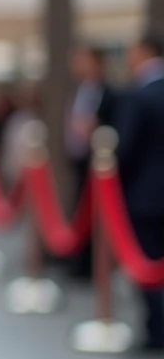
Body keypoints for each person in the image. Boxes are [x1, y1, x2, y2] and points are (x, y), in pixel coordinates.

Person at [114, 34, 164, 353]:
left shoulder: (138, 95)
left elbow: (126, 149)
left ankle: (157, 330)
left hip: (147, 194)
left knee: (148, 261)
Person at [65, 45, 118, 279]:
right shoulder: (78, 90)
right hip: (79, 160)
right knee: (80, 211)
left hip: (99, 164)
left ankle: (97, 266)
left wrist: (94, 130)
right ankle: (80, 263)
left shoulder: (110, 93)